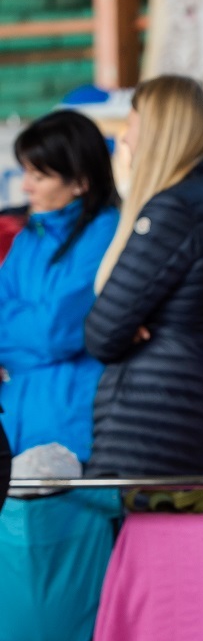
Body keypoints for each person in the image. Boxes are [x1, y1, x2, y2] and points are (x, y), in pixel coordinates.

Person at [84, 75, 203, 476]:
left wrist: (131, 326)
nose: (126, 139)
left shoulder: (173, 210)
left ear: (159, 129)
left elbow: (102, 334)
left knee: (142, 535)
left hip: (152, 420)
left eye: (132, 124)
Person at [0, 110, 120, 464]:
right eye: (26, 172)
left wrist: (19, 328)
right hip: (14, 422)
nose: (25, 186)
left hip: (72, 428)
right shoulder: (28, 238)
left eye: (39, 175)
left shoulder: (107, 233)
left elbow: (58, 331)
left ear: (80, 182)